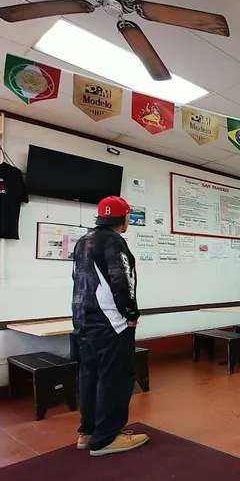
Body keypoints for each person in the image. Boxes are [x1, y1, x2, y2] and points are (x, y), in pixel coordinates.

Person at [72, 196, 148, 457]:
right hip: (111, 322)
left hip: (83, 319)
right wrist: (131, 313)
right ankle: (106, 438)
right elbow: (121, 279)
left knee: (90, 374)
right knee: (115, 377)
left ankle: (88, 431)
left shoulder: (83, 241)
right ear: (123, 218)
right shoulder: (114, 241)